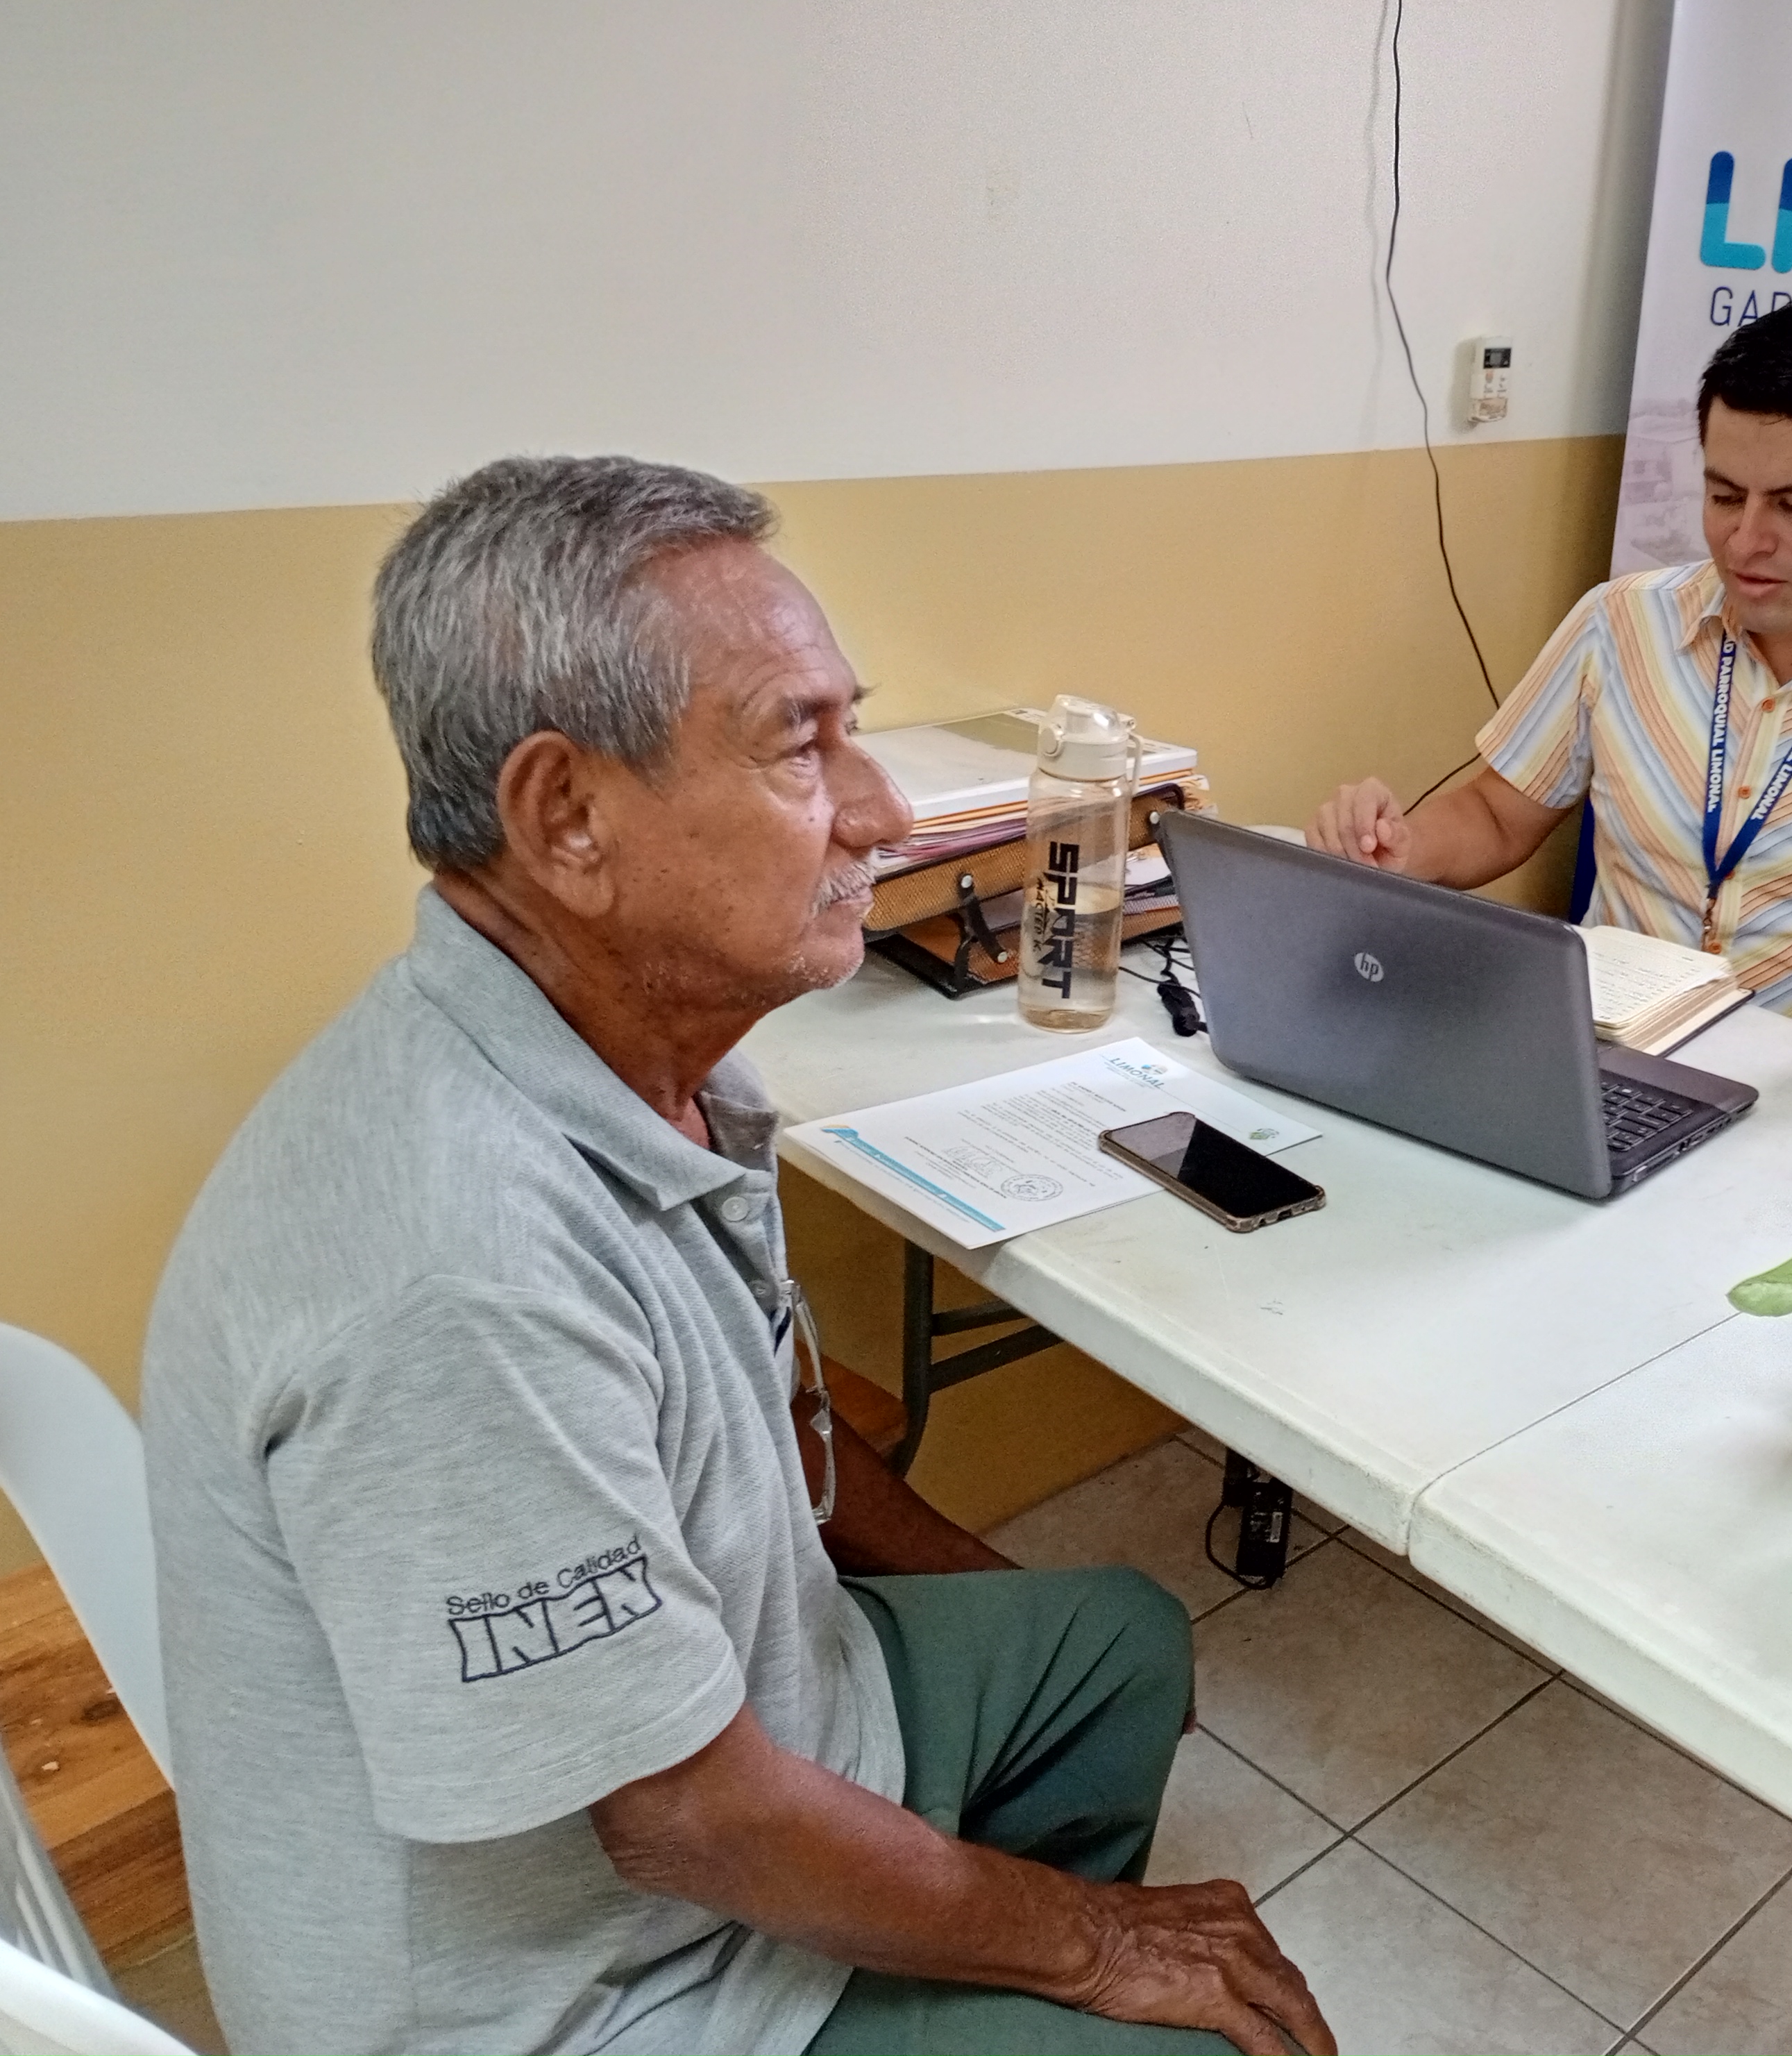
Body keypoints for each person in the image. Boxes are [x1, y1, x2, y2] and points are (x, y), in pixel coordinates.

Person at [141, 457, 1334, 2056]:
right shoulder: (457, 1269)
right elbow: (688, 1822)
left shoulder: (654, 1054)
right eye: (799, 743)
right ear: (566, 816)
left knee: (1112, 1642)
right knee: (1184, 2037)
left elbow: (775, 1418)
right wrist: (1089, 1946)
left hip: (757, 1732)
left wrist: (1005, 1631)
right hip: (584, 1989)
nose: (881, 812)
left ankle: (945, 1959)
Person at [1310, 304, 1792, 1085]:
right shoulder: (1623, 622)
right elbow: (1497, 815)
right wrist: (1403, 848)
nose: (1746, 541)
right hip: (1599, 1067)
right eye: (1724, 496)